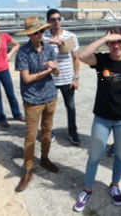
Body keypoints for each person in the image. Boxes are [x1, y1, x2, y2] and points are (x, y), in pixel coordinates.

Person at [73, 27, 121, 212]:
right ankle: (87, 189)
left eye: (120, 41)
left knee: (120, 155)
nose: (116, 45)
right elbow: (82, 55)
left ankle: (115, 185)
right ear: (108, 43)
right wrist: (104, 38)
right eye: (113, 42)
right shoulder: (102, 60)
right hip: (102, 117)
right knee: (94, 155)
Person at [14, 16, 60, 192]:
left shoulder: (49, 48)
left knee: (47, 132)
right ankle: (28, 169)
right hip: (33, 100)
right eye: (35, 32)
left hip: (50, 96)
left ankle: (45, 158)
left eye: (41, 31)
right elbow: (26, 78)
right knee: (30, 136)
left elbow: (55, 73)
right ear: (29, 35)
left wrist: (53, 68)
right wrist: (48, 69)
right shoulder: (23, 53)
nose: (39, 34)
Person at [43, 9, 81, 145]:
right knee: (48, 108)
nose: (57, 21)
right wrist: (50, 42)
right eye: (53, 19)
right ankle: (48, 131)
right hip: (49, 79)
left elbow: (76, 58)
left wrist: (76, 78)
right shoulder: (43, 37)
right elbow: (37, 50)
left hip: (66, 77)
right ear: (48, 21)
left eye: (59, 18)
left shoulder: (70, 36)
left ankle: (72, 131)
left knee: (70, 106)